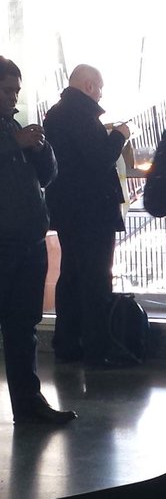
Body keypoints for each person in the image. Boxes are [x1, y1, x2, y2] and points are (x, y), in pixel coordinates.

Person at [0, 57, 77, 424]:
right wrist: (14, 143)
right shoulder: (10, 134)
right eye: (5, 90)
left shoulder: (12, 126)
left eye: (15, 90)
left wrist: (40, 150)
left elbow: (47, 177)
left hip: (27, 242)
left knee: (23, 327)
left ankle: (29, 406)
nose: (12, 97)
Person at [42, 64, 131, 368]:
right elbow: (99, 159)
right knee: (95, 280)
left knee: (71, 276)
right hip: (92, 212)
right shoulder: (81, 116)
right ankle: (98, 348)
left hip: (68, 211)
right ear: (89, 85)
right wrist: (119, 136)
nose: (101, 94)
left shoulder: (56, 114)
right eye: (100, 87)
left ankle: (67, 342)